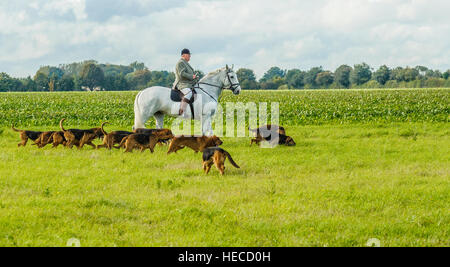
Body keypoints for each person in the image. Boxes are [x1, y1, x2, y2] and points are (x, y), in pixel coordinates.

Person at [173, 49, 197, 115]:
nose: (190, 56)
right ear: (183, 55)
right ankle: (181, 111)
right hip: (182, 84)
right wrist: (192, 76)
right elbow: (182, 74)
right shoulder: (180, 62)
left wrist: (194, 78)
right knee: (188, 93)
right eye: (188, 54)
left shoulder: (185, 63)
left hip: (188, 84)